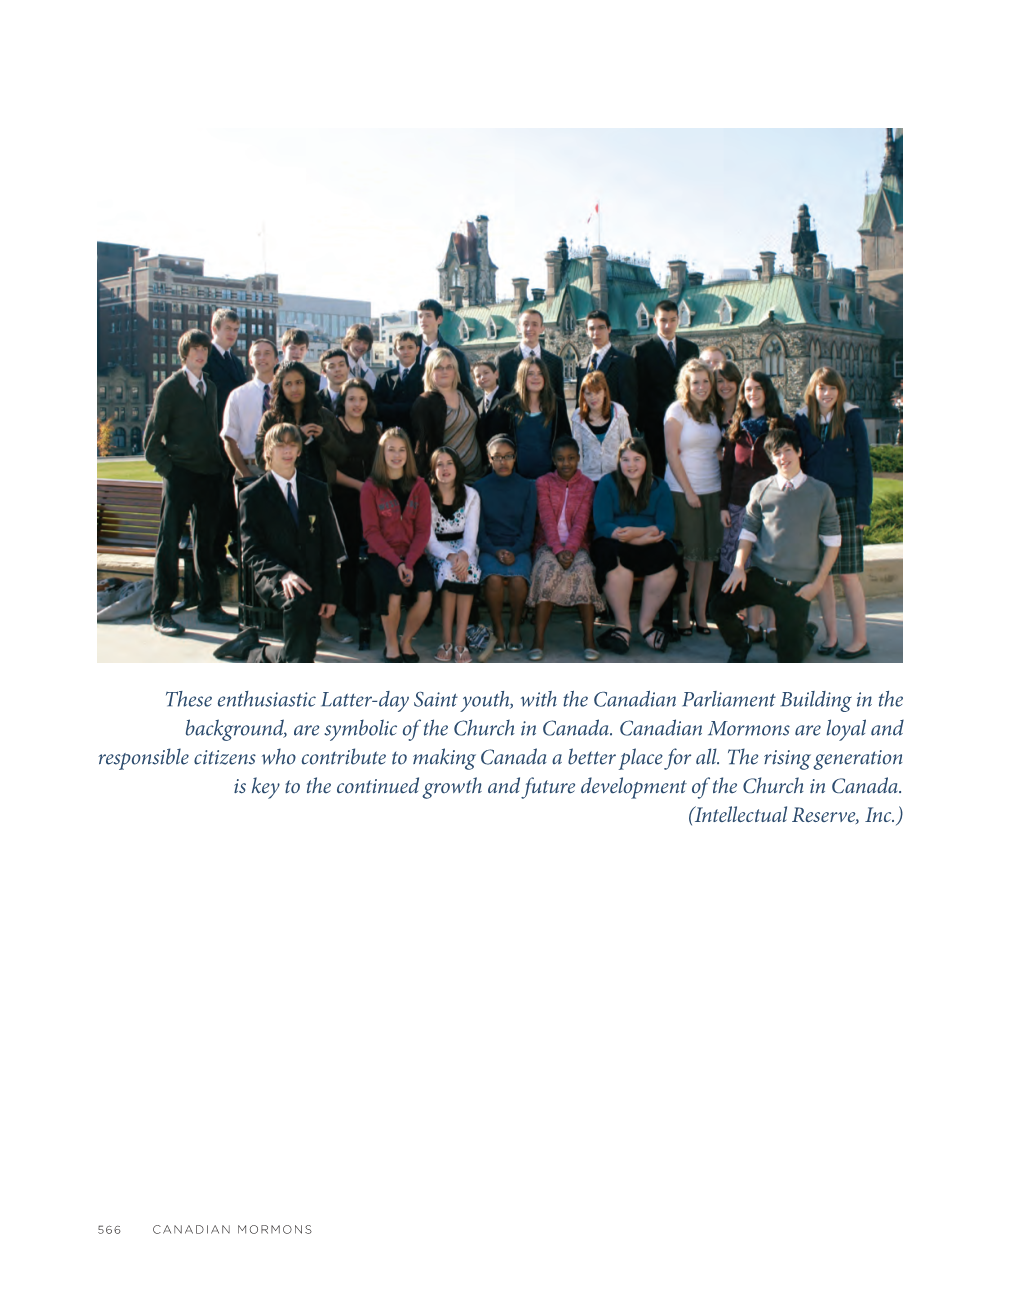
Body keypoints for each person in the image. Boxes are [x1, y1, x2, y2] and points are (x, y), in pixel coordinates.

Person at [215, 424, 344, 663]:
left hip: (311, 573)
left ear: (299, 451)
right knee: (299, 603)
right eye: (280, 444)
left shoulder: (316, 489)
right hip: (274, 575)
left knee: (302, 652)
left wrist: (331, 594)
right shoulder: (252, 496)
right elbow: (252, 550)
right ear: (268, 451)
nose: (287, 450)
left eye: (292, 444)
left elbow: (328, 546)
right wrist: (284, 574)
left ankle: (253, 651)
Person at [711, 426, 840, 663]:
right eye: (777, 453)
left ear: (799, 452)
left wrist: (817, 584)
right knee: (719, 605)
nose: (783, 458)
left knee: (789, 659)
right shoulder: (761, 489)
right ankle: (741, 643)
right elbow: (748, 531)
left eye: (788, 451)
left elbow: (832, 541)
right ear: (771, 459)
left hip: (797, 587)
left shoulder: (821, 492)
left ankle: (806, 635)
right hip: (763, 576)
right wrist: (739, 567)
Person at [143, 329, 238, 636]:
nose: (200, 354)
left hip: (209, 475)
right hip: (180, 475)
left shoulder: (209, 388)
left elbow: (212, 433)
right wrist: (170, 470)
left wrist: (219, 467)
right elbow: (151, 442)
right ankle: (161, 611)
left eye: (204, 350)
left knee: (207, 546)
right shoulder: (170, 388)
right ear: (184, 353)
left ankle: (209, 607)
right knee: (168, 543)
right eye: (195, 349)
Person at [255, 362, 349, 644]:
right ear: (280, 388)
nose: (294, 388)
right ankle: (302, 624)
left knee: (327, 557)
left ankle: (328, 623)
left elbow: (342, 453)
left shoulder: (322, 414)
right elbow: (262, 458)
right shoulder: (271, 418)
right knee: (293, 557)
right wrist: (294, 434)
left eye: (299, 382)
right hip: (284, 498)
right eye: (288, 383)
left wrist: (323, 437)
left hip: (319, 496)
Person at [794, 367, 874, 659]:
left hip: (846, 503)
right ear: (812, 391)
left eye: (832, 389)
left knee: (848, 575)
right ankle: (831, 636)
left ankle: (860, 639)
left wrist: (863, 510)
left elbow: (864, 465)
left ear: (839, 392)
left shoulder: (852, 417)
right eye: (821, 388)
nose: (826, 394)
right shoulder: (802, 420)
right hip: (815, 504)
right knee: (823, 575)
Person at [720, 372, 790, 650]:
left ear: (767, 391)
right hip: (739, 506)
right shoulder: (736, 427)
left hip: (773, 507)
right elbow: (727, 470)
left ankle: (773, 626)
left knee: (772, 567)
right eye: (748, 389)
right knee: (745, 567)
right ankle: (752, 624)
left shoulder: (783, 424)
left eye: (757, 388)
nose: (752, 393)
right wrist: (723, 505)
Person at [590, 438, 678, 654]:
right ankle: (623, 627)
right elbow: (602, 522)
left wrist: (638, 535)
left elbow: (666, 524)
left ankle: (646, 626)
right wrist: (637, 537)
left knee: (667, 556)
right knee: (611, 555)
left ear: (646, 460)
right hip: (614, 540)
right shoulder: (607, 483)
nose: (631, 465)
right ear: (619, 461)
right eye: (626, 459)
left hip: (649, 540)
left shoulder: (660, 486)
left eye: (637, 459)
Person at [359, 429, 433, 662]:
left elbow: (423, 531)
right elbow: (371, 532)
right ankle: (391, 644)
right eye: (390, 449)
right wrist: (397, 563)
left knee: (426, 594)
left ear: (408, 454)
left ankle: (406, 641)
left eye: (402, 449)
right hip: (382, 555)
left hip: (412, 554)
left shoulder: (420, 486)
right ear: (382, 453)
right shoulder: (370, 487)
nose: (396, 455)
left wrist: (409, 563)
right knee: (393, 593)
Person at [527, 436, 603, 661]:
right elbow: (547, 520)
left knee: (583, 570)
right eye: (560, 459)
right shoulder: (543, 482)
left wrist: (570, 549)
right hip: (547, 545)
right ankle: (538, 639)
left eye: (571, 458)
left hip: (577, 545)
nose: (566, 463)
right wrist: (559, 551)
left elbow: (581, 521)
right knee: (546, 569)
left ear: (579, 458)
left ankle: (588, 639)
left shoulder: (587, 484)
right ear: (553, 461)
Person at [664, 359, 723, 636]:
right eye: (695, 382)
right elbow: (672, 453)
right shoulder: (677, 411)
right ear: (686, 385)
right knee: (689, 556)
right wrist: (688, 491)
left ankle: (701, 613)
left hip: (713, 489)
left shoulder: (712, 412)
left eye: (705, 381)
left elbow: (714, 448)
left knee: (708, 556)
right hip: (683, 490)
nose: (701, 386)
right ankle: (684, 614)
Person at [474, 435, 537, 652]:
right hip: (489, 548)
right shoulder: (479, 488)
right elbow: (479, 532)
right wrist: (494, 550)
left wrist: (514, 550)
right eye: (498, 457)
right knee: (493, 580)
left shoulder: (527, 487)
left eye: (508, 456)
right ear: (489, 459)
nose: (503, 462)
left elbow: (528, 531)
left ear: (515, 457)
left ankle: (515, 627)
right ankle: (498, 627)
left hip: (518, 548)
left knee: (519, 580)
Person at [331, 377, 382, 643]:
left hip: (370, 497)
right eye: (351, 398)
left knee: (371, 550)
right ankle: (349, 601)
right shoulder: (335, 426)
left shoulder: (374, 428)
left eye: (361, 399)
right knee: (349, 552)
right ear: (343, 401)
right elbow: (331, 470)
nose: (357, 404)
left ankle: (368, 599)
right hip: (344, 497)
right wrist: (360, 486)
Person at [427, 448, 483, 663]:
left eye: (449, 463)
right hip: (438, 551)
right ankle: (446, 640)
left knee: (467, 571)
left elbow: (471, 536)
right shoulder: (427, 496)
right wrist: (450, 556)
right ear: (433, 470)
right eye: (439, 464)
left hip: (465, 549)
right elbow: (429, 540)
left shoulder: (471, 495)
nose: (444, 468)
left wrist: (463, 555)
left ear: (457, 467)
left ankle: (460, 641)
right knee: (450, 572)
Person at [205, 307, 249, 571]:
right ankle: (217, 556)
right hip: (215, 445)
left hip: (235, 443)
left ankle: (237, 549)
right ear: (215, 329)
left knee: (234, 504)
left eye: (235, 329)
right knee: (218, 505)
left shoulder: (235, 361)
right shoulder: (206, 359)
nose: (232, 334)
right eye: (227, 329)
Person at [634, 300, 698, 475]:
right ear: (655, 321)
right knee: (658, 476)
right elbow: (637, 390)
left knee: (687, 471)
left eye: (672, 320)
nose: (668, 325)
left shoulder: (690, 349)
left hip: (687, 425)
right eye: (663, 320)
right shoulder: (642, 351)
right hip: (655, 428)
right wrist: (643, 424)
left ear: (678, 319)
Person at [486, 358, 569, 480]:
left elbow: (565, 440)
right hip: (515, 480)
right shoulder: (507, 405)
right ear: (522, 376)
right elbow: (494, 443)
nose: (536, 377)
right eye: (531, 374)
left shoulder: (557, 405)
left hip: (550, 480)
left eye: (540, 373)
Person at [410, 348, 483, 482]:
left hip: (477, 475)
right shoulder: (425, 402)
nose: (445, 371)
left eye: (449, 367)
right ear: (430, 371)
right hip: (447, 480)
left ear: (455, 370)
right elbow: (422, 447)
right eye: (439, 367)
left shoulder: (465, 394)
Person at [221, 336, 278, 488]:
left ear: (276, 360)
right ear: (250, 360)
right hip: (249, 469)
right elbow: (229, 438)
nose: (262, 357)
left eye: (267, 353)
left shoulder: (285, 394)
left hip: (283, 468)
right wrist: (245, 473)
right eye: (257, 354)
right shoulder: (238, 395)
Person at [575, 311, 638, 425]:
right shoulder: (582, 365)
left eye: (601, 328)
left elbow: (630, 405)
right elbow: (579, 403)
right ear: (587, 331)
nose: (596, 333)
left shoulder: (623, 361)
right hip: (587, 432)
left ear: (609, 329)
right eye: (592, 328)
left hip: (614, 431)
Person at [570, 369, 630, 483]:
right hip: (588, 480)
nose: (593, 397)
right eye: (588, 393)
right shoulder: (578, 417)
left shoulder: (619, 413)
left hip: (616, 479)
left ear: (605, 392)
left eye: (597, 392)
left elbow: (628, 447)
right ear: (583, 395)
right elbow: (577, 453)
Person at [497, 307, 565, 401]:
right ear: (519, 328)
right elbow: (501, 398)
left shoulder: (555, 362)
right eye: (525, 324)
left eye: (535, 324)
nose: (530, 328)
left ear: (542, 329)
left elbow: (559, 398)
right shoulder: (504, 360)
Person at [416, 298, 472, 390]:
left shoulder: (456, 355)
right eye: (420, 316)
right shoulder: (409, 350)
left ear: (439, 319)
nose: (423, 320)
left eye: (428, 316)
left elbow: (466, 391)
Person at [374, 332, 424, 432]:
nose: (406, 351)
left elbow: (423, 408)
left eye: (410, 347)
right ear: (395, 352)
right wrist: (408, 407)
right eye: (401, 348)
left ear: (417, 350)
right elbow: (377, 408)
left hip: (417, 434)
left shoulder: (426, 375)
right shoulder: (384, 377)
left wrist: (391, 408)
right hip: (391, 433)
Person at [341, 323, 376, 388]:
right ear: (348, 341)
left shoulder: (369, 374)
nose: (361, 346)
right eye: (358, 341)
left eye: (365, 343)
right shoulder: (335, 368)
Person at [318, 348, 352, 414]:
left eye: (341, 365)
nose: (337, 369)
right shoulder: (315, 400)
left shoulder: (357, 398)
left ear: (348, 369)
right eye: (332, 366)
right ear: (324, 373)